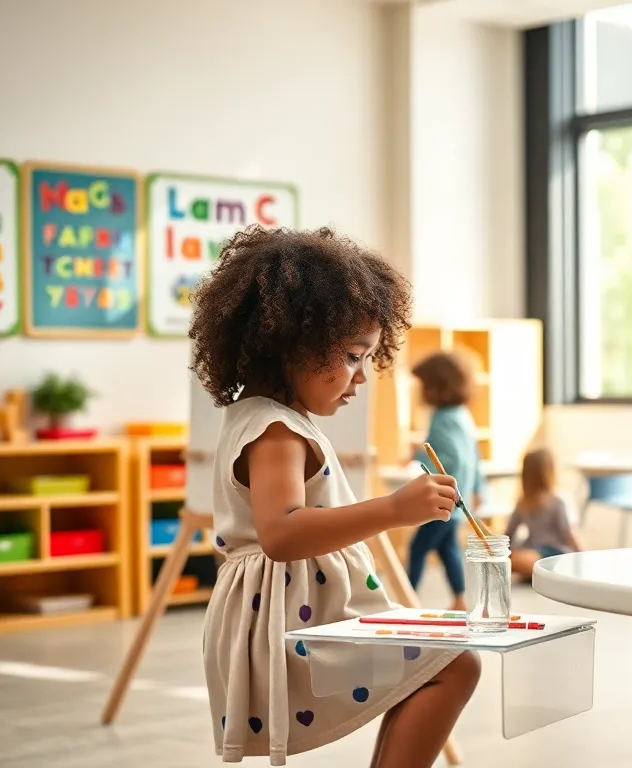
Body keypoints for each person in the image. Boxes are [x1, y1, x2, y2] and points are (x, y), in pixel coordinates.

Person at [189, 226, 479, 768]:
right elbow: (281, 535)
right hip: (290, 621)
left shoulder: (268, 418)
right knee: (454, 664)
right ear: (290, 345)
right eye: (351, 356)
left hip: (302, 609)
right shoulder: (275, 430)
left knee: (447, 665)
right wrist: (393, 510)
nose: (362, 377)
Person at [406, 351, 486, 613]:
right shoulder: (462, 414)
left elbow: (449, 456)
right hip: (458, 500)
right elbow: (474, 456)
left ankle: (407, 597)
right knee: (447, 548)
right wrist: (478, 488)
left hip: (445, 500)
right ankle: (460, 598)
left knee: (418, 547)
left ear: (436, 387)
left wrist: (416, 456)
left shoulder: (442, 418)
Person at [505, 448, 581, 580]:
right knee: (510, 559)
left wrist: (581, 556)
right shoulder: (522, 504)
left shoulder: (557, 503)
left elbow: (568, 534)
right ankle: (536, 572)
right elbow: (508, 535)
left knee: (523, 560)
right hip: (532, 549)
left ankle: (539, 571)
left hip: (553, 552)